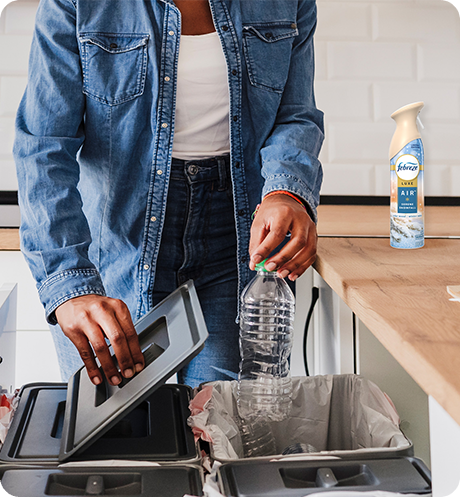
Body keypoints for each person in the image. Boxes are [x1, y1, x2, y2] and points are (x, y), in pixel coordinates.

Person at [14, 0, 324, 388]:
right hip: (118, 242)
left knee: (221, 428)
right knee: (116, 433)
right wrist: (70, 284)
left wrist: (287, 193)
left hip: (237, 243)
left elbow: (294, 113)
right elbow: (44, 145)